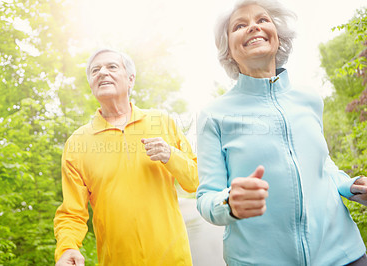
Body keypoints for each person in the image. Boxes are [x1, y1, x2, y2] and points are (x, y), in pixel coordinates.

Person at [196, 0, 367, 265]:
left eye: (262, 20)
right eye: (239, 25)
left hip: (343, 254)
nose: (253, 26)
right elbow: (207, 197)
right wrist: (230, 203)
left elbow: (323, 166)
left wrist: (350, 185)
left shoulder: (309, 99)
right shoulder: (214, 115)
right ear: (228, 50)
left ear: (279, 36)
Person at [54, 48, 198, 266]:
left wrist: (171, 155)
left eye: (112, 66)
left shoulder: (162, 122)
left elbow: (195, 181)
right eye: (95, 70)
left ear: (131, 79)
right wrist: (67, 247)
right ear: (92, 85)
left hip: (173, 259)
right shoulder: (77, 143)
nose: (102, 72)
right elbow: (71, 212)